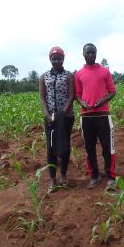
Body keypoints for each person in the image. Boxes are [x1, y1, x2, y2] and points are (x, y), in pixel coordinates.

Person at [75, 43, 117, 190]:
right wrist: (82, 103)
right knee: (89, 148)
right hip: (86, 117)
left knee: (107, 147)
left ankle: (111, 176)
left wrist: (102, 101)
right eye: (87, 53)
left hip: (103, 115)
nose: (90, 55)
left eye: (92, 52)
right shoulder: (79, 74)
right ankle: (94, 176)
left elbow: (112, 92)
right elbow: (77, 95)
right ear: (83, 54)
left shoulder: (105, 72)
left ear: (96, 53)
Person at [39, 46, 75, 192]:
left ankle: (64, 175)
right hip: (50, 118)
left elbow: (72, 95)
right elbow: (42, 97)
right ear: (50, 59)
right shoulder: (44, 77)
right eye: (54, 59)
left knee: (65, 146)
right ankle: (52, 179)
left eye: (59, 58)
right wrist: (48, 115)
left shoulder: (69, 75)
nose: (56, 61)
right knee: (51, 148)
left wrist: (62, 113)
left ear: (63, 59)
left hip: (66, 117)